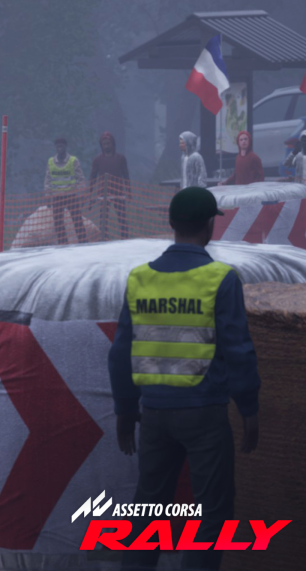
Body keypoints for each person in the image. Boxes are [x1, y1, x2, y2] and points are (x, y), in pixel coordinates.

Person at [110, 187, 260, 571]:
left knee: (148, 512)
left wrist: (125, 409)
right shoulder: (221, 278)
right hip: (205, 414)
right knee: (213, 513)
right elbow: (238, 349)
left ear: (171, 224)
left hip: (154, 415)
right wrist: (248, 407)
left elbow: (121, 350)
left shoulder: (140, 278)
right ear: (210, 225)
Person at [44, 137, 87, 244]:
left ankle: (83, 242)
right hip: (57, 197)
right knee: (58, 223)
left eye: (61, 145)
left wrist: (82, 193)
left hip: (71, 195)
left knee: (77, 220)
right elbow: (48, 179)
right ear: (55, 147)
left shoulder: (73, 161)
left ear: (65, 147)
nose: (60, 148)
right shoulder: (51, 162)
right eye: (58, 146)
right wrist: (47, 195)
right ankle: (63, 244)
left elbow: (81, 178)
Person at [90, 132, 131, 239]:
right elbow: (93, 178)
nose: (106, 146)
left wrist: (129, 192)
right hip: (103, 194)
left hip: (118, 193)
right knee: (103, 219)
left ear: (113, 144)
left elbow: (126, 175)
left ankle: (125, 239)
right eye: (104, 144)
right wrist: (89, 195)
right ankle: (104, 239)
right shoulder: (97, 160)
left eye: (108, 143)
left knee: (122, 218)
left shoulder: (120, 158)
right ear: (101, 145)